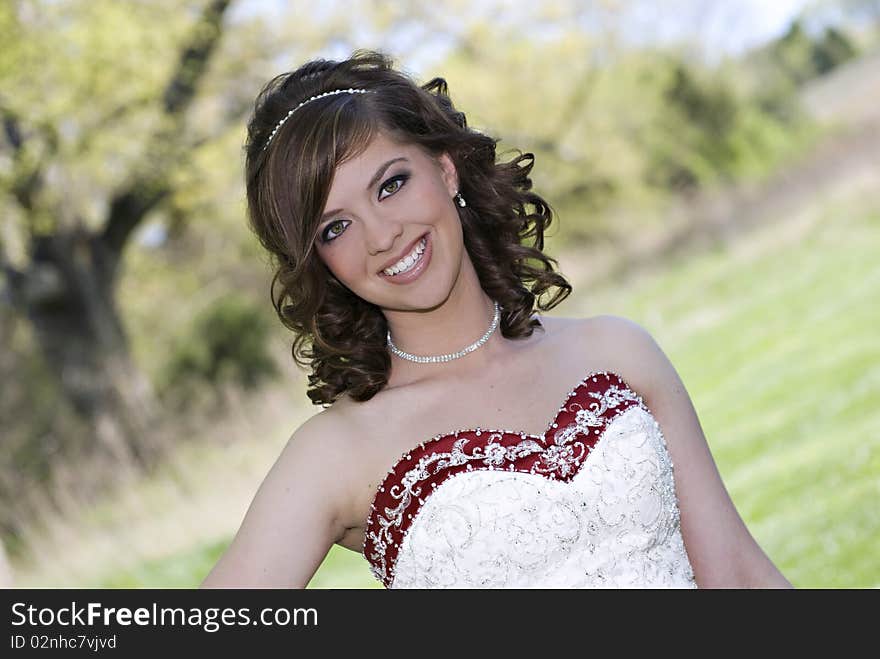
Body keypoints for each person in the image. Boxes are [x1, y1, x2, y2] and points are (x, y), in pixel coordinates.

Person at [201, 50, 792, 589]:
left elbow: (738, 576)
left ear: (447, 170)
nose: (382, 236)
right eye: (335, 227)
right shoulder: (338, 453)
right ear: (321, 263)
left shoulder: (617, 351)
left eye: (391, 185)